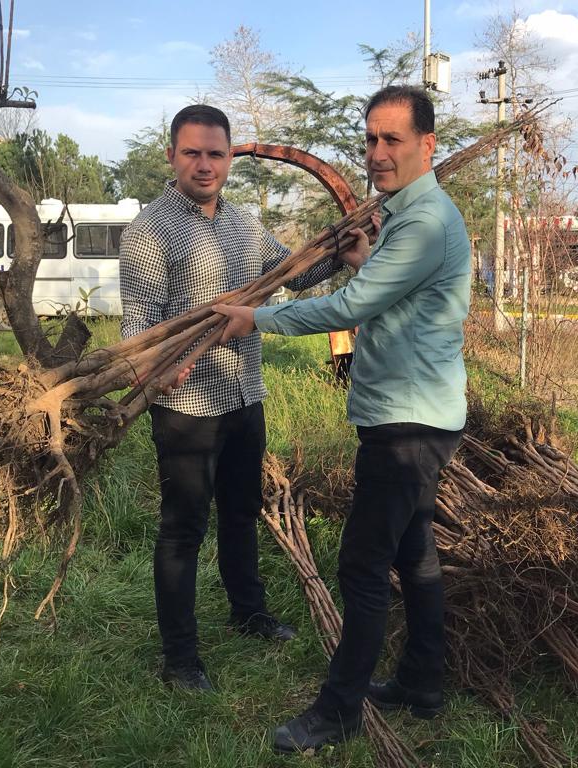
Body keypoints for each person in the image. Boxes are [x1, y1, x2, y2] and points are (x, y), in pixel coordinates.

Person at [214, 85, 471, 752]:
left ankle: (338, 710)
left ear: (427, 145)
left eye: (393, 140)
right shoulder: (409, 217)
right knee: (414, 553)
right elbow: (391, 294)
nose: (377, 153)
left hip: (408, 425)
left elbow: (347, 309)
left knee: (362, 564)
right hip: (419, 415)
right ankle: (422, 683)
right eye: (371, 139)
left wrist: (255, 317)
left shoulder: (424, 221)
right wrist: (365, 263)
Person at [118, 104, 346, 690]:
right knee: (183, 529)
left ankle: (249, 613)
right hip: (186, 407)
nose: (205, 165)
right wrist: (157, 370)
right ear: (171, 156)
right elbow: (137, 323)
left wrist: (337, 251)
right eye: (192, 153)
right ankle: (180, 658)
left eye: (215, 154)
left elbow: (291, 274)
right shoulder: (149, 230)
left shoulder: (244, 224)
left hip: (245, 394)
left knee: (242, 513)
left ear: (229, 159)